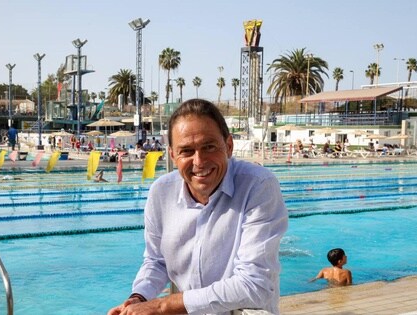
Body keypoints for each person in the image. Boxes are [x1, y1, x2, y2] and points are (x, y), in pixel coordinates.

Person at [107, 99, 288, 315]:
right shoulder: (161, 193)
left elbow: (255, 285)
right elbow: (156, 261)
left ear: (228, 146)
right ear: (173, 155)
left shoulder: (257, 185)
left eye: (209, 147)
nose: (199, 161)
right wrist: (139, 298)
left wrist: (163, 305)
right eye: (186, 151)